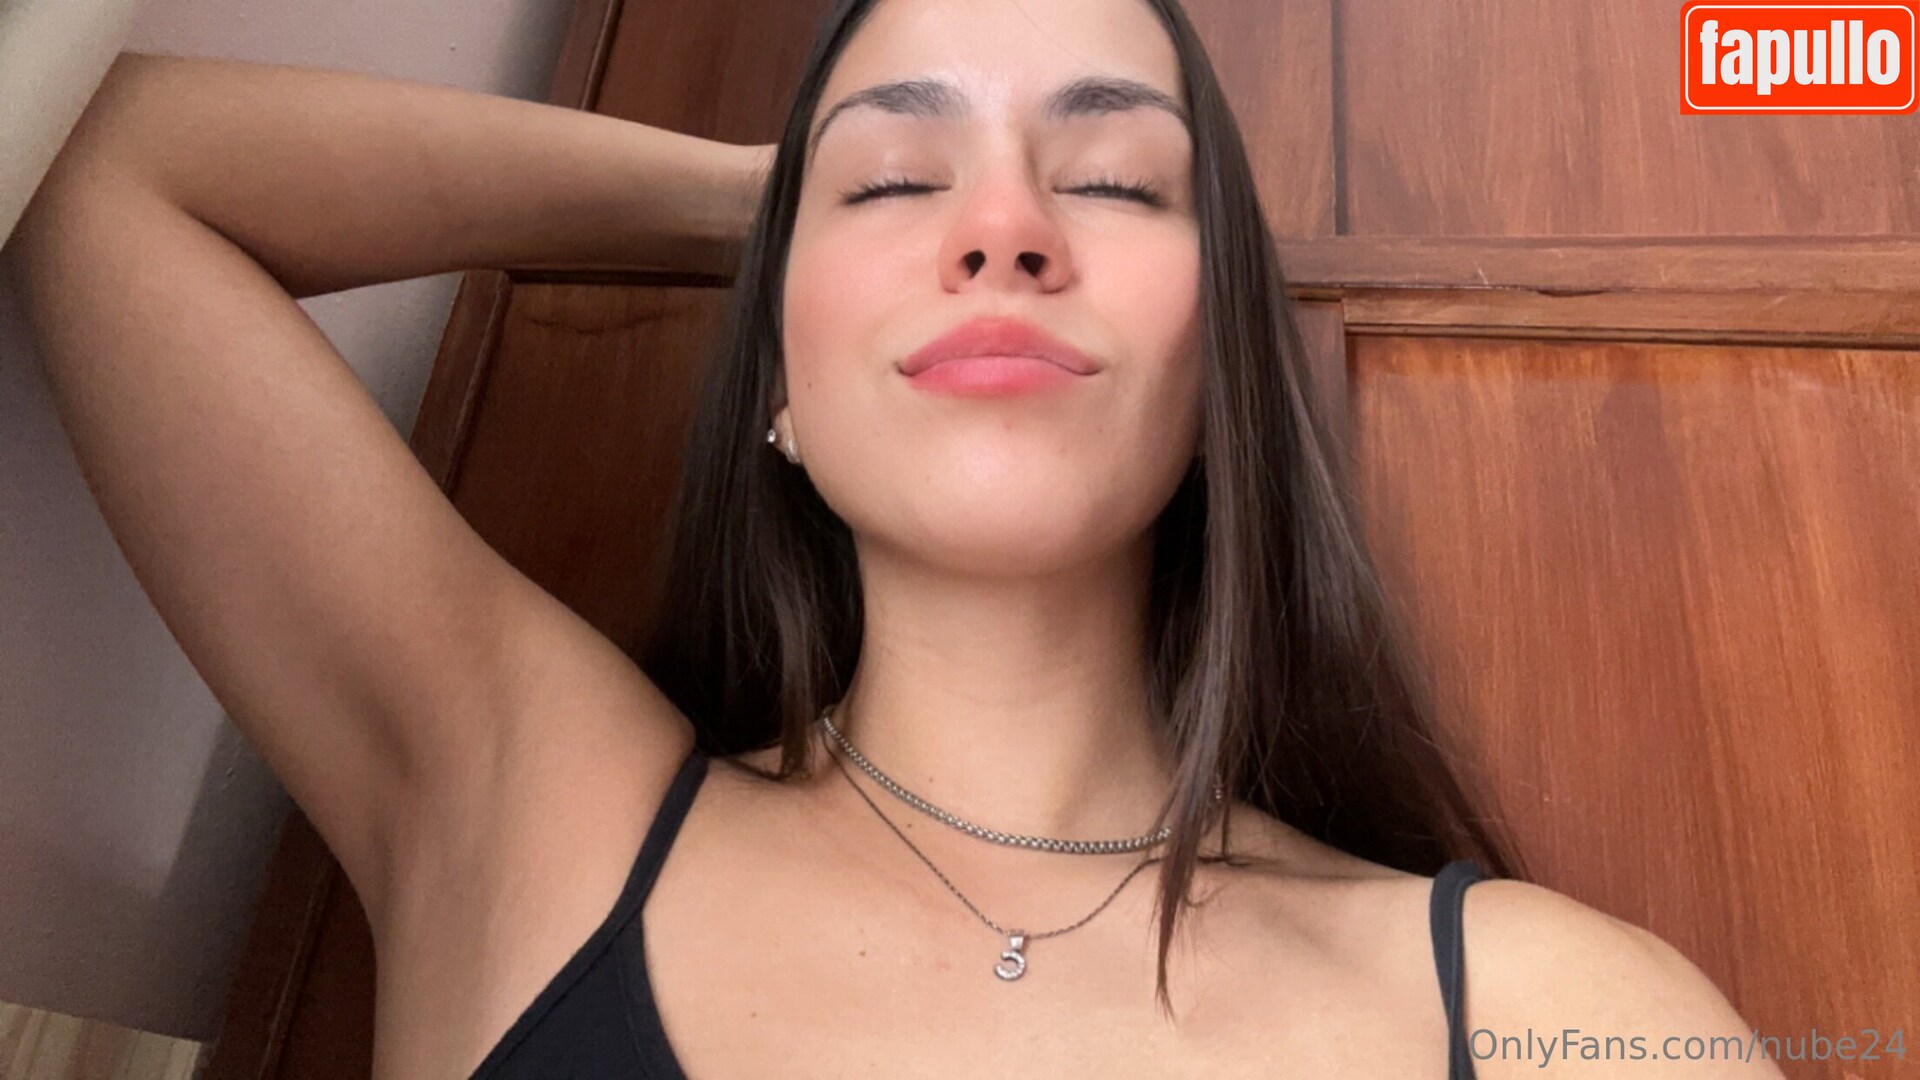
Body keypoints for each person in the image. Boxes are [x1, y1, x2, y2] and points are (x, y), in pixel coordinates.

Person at [6, 0, 1781, 1076]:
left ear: (1221, 373)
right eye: (898, 181)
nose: (1002, 228)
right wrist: (761, 198)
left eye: (1113, 179)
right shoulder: (526, 808)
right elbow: (108, 164)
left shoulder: (1557, 1015)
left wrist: (858, 206)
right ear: (780, 380)